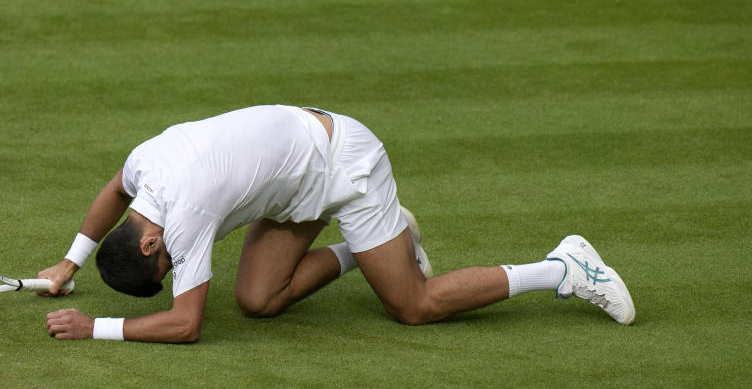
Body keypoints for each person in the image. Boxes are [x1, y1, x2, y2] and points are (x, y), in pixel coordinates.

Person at [41, 105, 635, 343]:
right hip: (288, 180)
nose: (174, 264)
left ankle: (562, 267)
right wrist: (72, 261)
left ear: (149, 240)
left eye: (164, 262)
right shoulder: (148, 167)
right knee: (256, 300)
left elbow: (187, 322)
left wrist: (97, 327)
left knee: (414, 305)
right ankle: (381, 240)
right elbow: (115, 190)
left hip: (343, 164)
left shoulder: (187, 211)